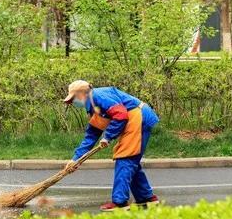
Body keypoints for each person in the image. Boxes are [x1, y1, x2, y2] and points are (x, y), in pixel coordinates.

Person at [63, 80, 160, 211]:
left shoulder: (98, 96)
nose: (73, 103)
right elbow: (91, 135)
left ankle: (120, 202)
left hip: (138, 117)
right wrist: (75, 159)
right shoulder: (92, 105)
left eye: (73, 99)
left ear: (82, 94)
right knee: (130, 162)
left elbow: (121, 114)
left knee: (125, 160)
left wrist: (108, 136)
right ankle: (146, 198)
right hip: (135, 119)